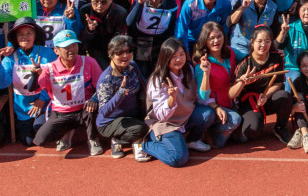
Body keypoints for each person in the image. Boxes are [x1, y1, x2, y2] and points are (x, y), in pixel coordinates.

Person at [29, 29, 105, 155]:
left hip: (85, 109)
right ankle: (66, 132)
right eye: (67, 47)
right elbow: (33, 88)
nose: (72, 49)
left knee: (91, 109)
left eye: (74, 45)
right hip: (61, 112)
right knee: (40, 140)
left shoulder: (89, 62)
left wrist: (94, 99)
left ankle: (93, 139)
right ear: (56, 51)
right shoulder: (49, 69)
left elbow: (102, 86)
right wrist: (34, 75)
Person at [144, 38, 217, 166]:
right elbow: (162, 116)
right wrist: (171, 99)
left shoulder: (188, 70)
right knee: (178, 159)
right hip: (165, 124)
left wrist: (206, 74)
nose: (179, 59)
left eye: (181, 54)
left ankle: (191, 140)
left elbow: (201, 97)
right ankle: (146, 145)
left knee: (208, 114)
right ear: (165, 58)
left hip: (185, 118)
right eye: (173, 56)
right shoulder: (158, 80)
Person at [230, 26, 294, 143]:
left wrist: (265, 95)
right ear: (252, 42)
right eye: (259, 41)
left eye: (267, 41)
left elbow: (278, 83)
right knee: (252, 131)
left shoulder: (277, 58)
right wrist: (242, 83)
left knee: (284, 96)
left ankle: (280, 127)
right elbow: (231, 94)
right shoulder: (245, 64)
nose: (263, 45)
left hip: (267, 98)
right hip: (250, 102)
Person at [94, 35, 148, 160]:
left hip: (131, 116)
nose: (125, 56)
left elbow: (144, 84)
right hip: (109, 122)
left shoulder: (132, 66)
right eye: (120, 52)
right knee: (141, 129)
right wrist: (119, 94)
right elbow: (104, 111)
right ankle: (117, 140)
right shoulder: (106, 79)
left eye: (128, 51)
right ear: (111, 54)